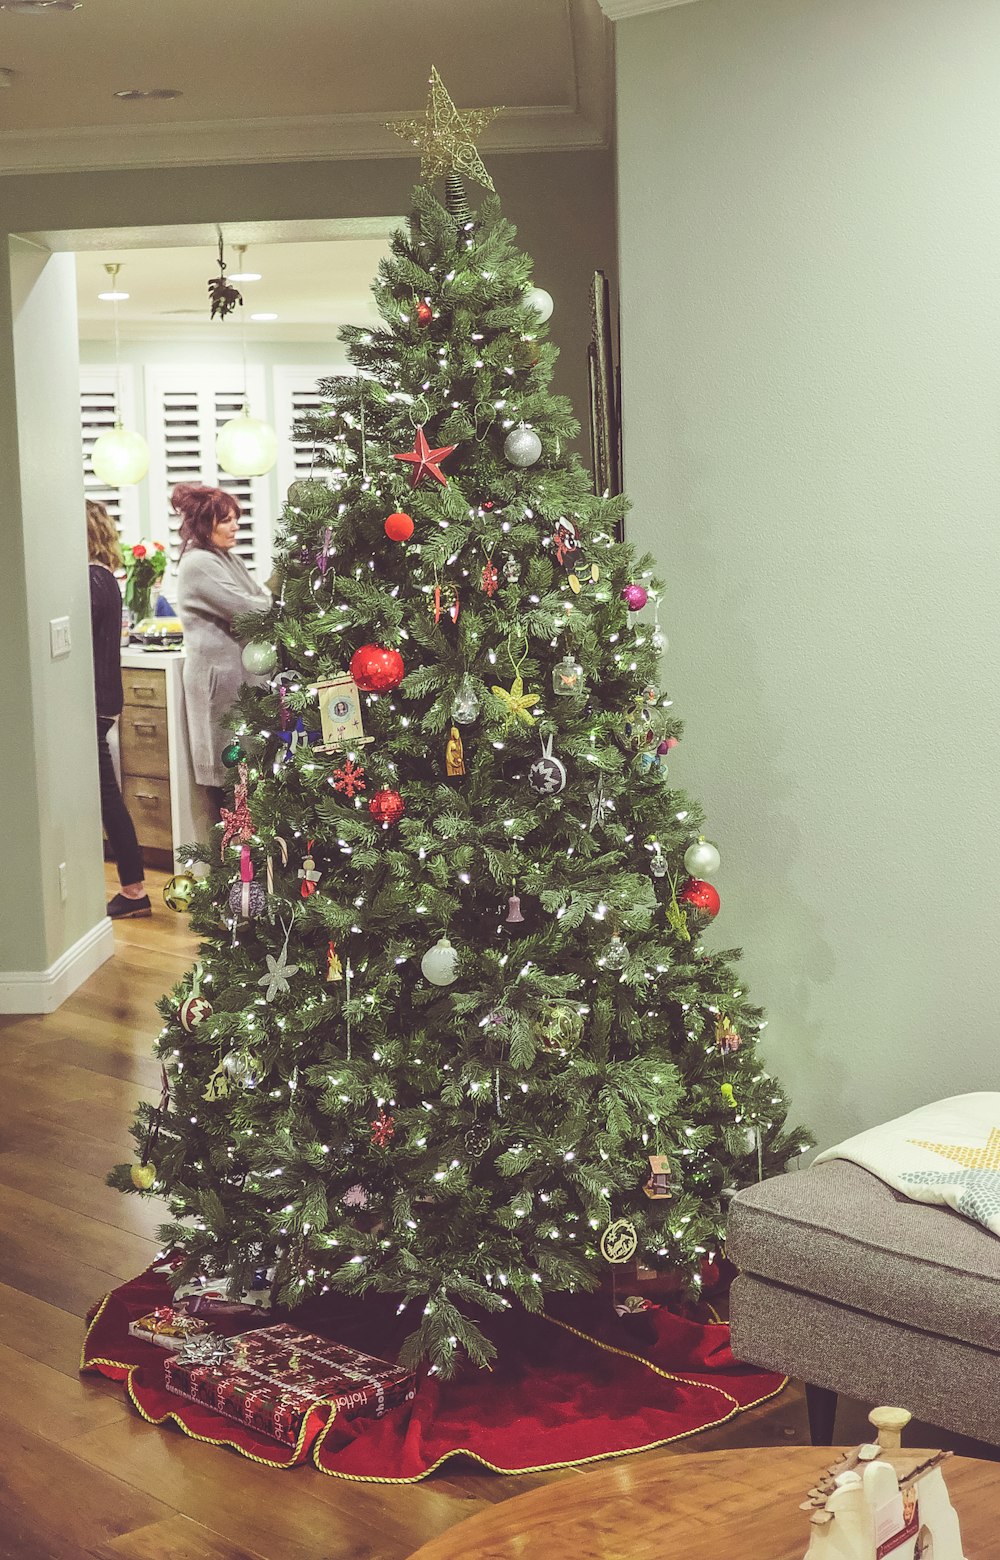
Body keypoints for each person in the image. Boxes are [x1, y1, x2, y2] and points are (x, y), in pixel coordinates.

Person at [173, 484, 269, 812]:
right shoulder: (198, 563)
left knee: (246, 778)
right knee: (229, 779)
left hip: (240, 683)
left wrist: (260, 601)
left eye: (235, 519)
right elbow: (252, 608)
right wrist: (260, 602)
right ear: (204, 524)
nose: (235, 526)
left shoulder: (227, 558)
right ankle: (229, 861)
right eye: (226, 520)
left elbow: (259, 600)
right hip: (218, 687)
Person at [86, 500, 150, 919]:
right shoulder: (105, 577)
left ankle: (134, 890)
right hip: (103, 699)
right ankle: (132, 887)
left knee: (106, 796)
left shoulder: (90, 580)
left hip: (91, 701)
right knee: (102, 794)